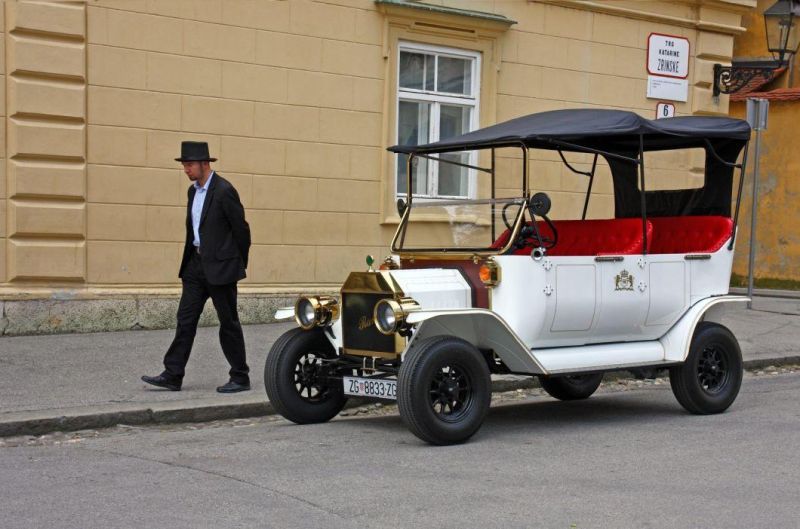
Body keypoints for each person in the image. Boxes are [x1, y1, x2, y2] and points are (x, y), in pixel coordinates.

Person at [142, 141, 252, 393]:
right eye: (184, 165)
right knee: (185, 319)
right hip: (195, 265)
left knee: (228, 322)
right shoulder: (193, 192)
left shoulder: (224, 190)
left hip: (221, 269)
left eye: (189, 165)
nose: (186, 170)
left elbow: (242, 231)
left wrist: (237, 264)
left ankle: (240, 376)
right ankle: (173, 374)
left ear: (205, 164)